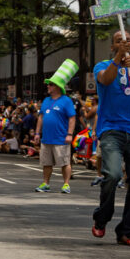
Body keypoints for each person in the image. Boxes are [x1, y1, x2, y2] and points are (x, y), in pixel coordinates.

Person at [92, 31, 130, 246]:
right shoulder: (102, 66)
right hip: (111, 130)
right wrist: (119, 58)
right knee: (112, 174)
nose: (123, 43)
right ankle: (102, 217)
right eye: (118, 41)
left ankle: (126, 230)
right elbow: (106, 80)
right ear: (112, 47)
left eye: (127, 41)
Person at [34, 60, 78, 194]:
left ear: (58, 87)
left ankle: (66, 184)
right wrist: (37, 133)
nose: (48, 86)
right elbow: (41, 117)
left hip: (61, 138)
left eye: (51, 84)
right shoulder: (46, 101)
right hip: (47, 138)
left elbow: (72, 118)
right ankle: (46, 183)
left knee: (65, 162)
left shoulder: (66, 101)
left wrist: (69, 134)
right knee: (46, 163)